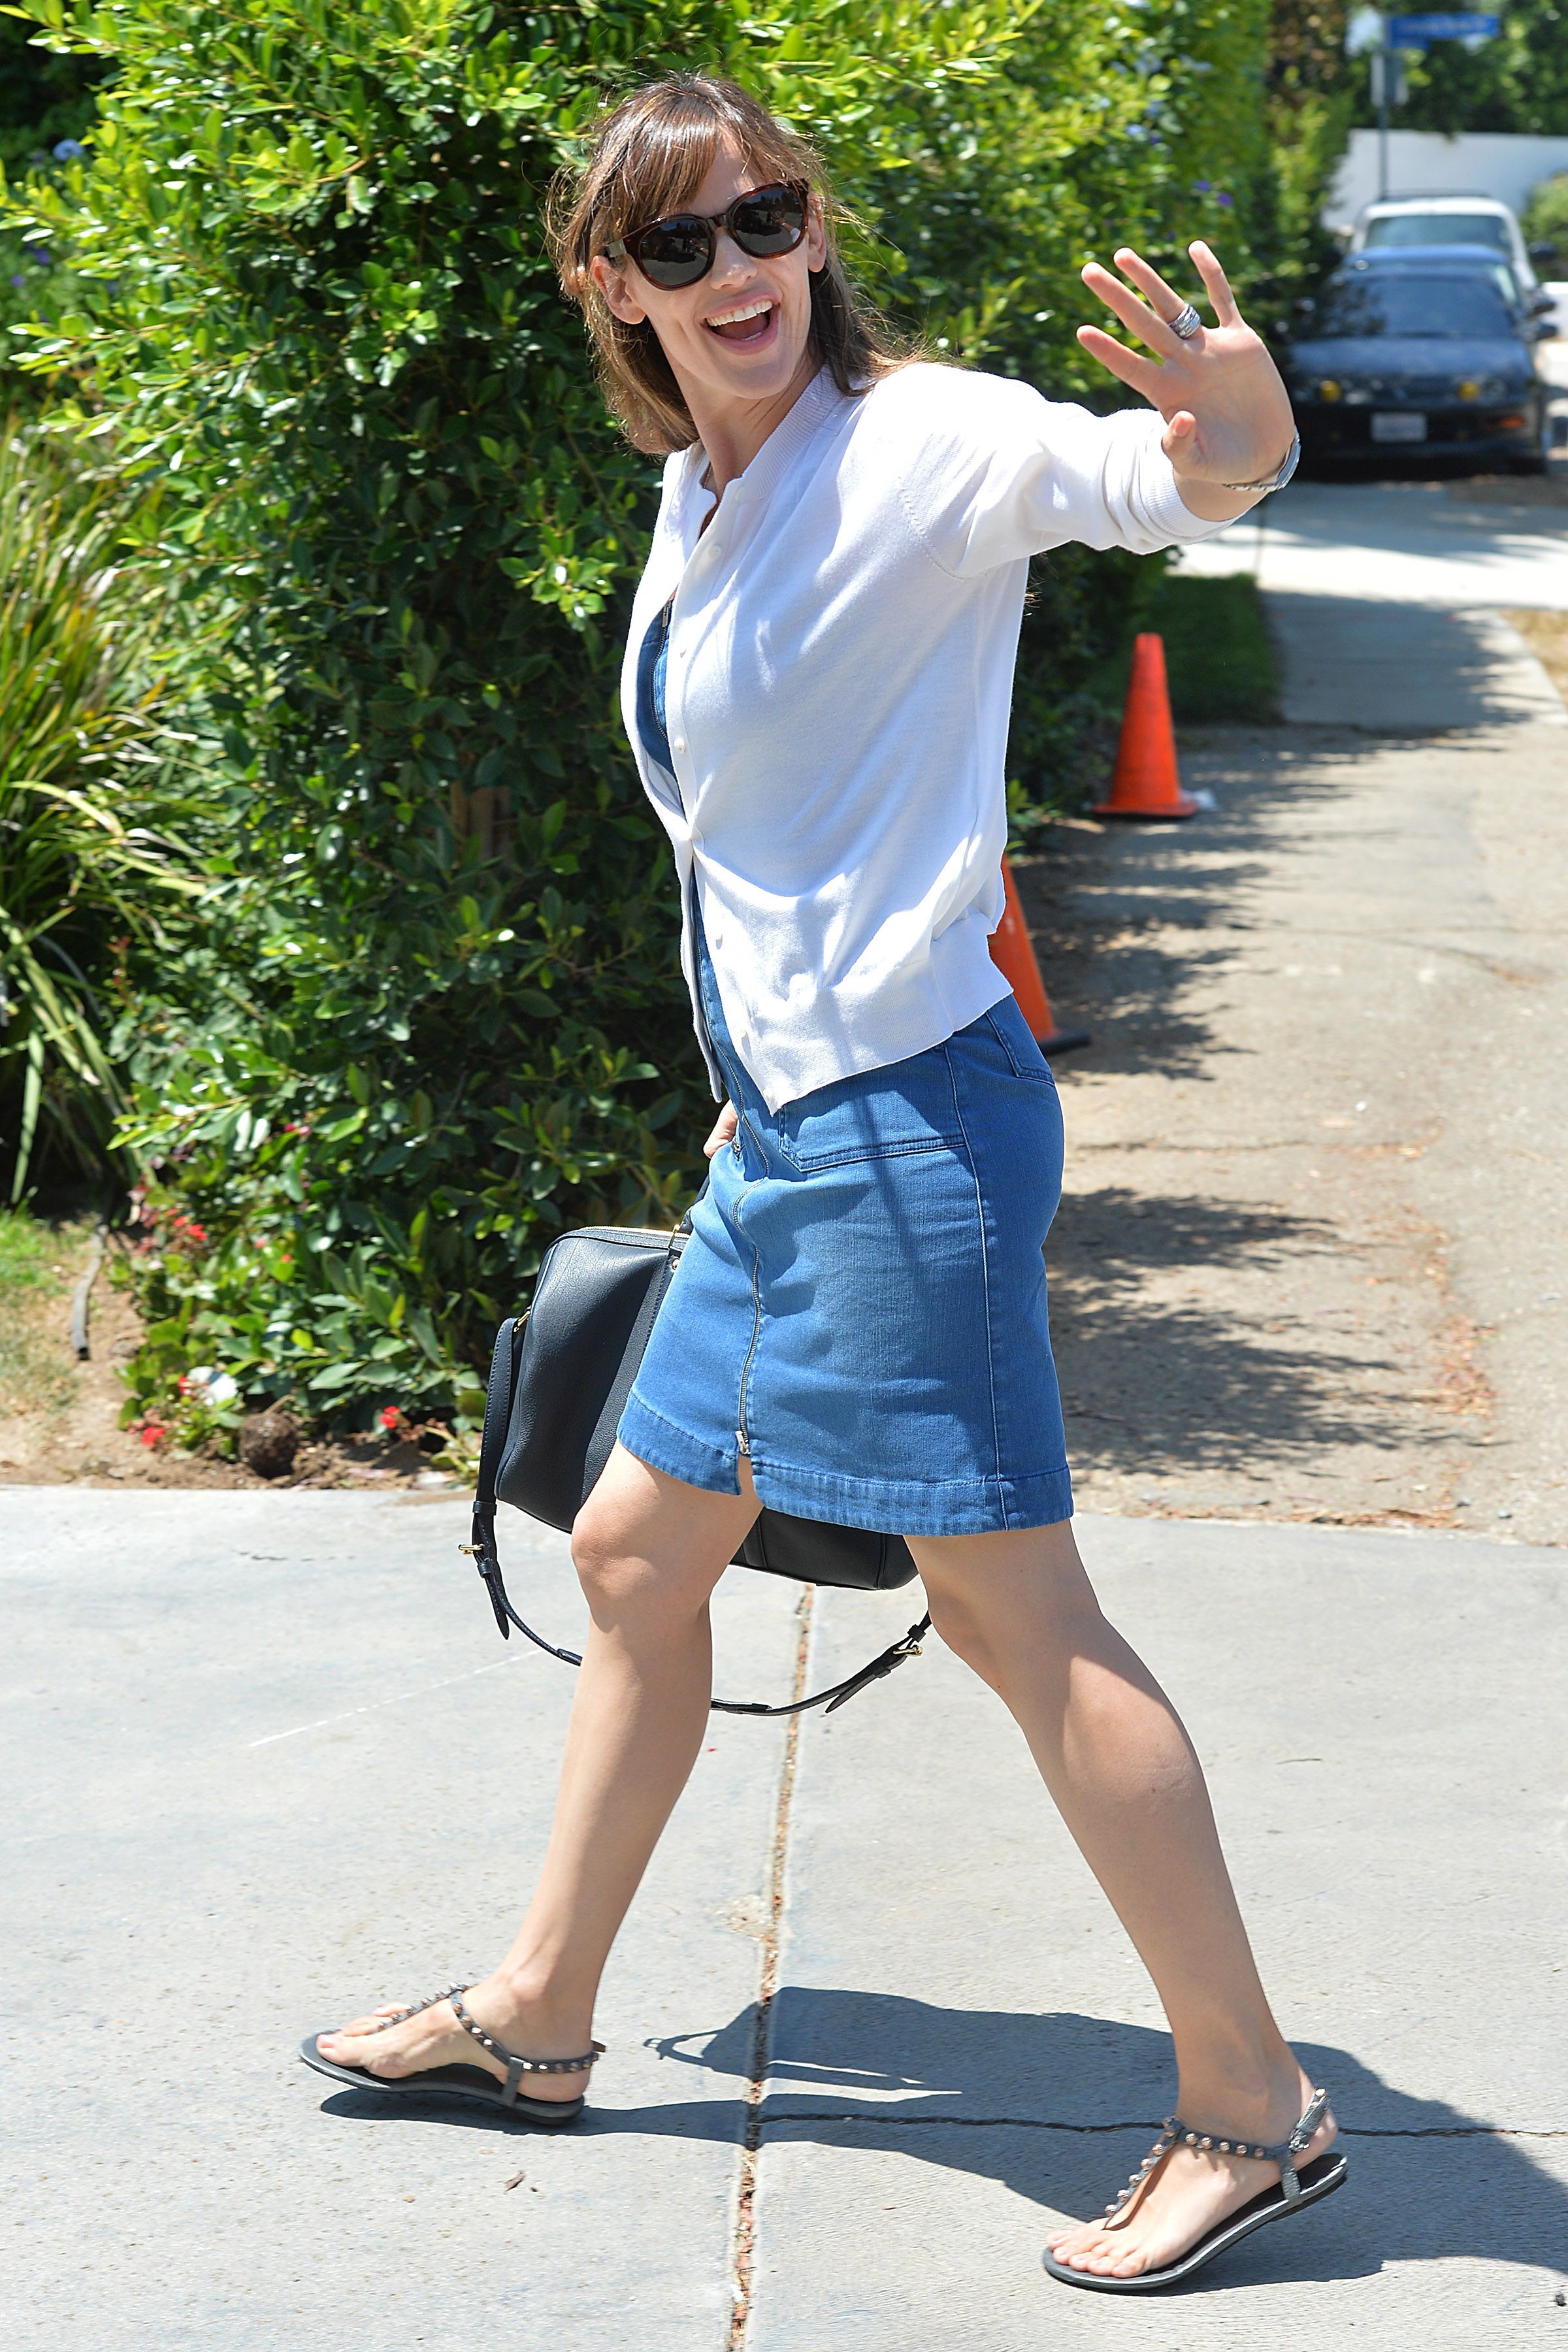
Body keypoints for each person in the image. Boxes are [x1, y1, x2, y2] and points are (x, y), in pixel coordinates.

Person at [302, 73, 1343, 2293]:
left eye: (761, 217)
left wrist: (1235, 417)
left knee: (1013, 1615)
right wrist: (739, 1082)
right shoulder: (699, 493)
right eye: (677, 244)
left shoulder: (926, 444)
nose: (737, 270)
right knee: (630, 1550)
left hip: (912, 1134)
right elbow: (759, 848)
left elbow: (1176, 480)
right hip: (790, 1133)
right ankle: (545, 2017)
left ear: (811, 227)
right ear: (615, 288)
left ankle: (1252, 2106)